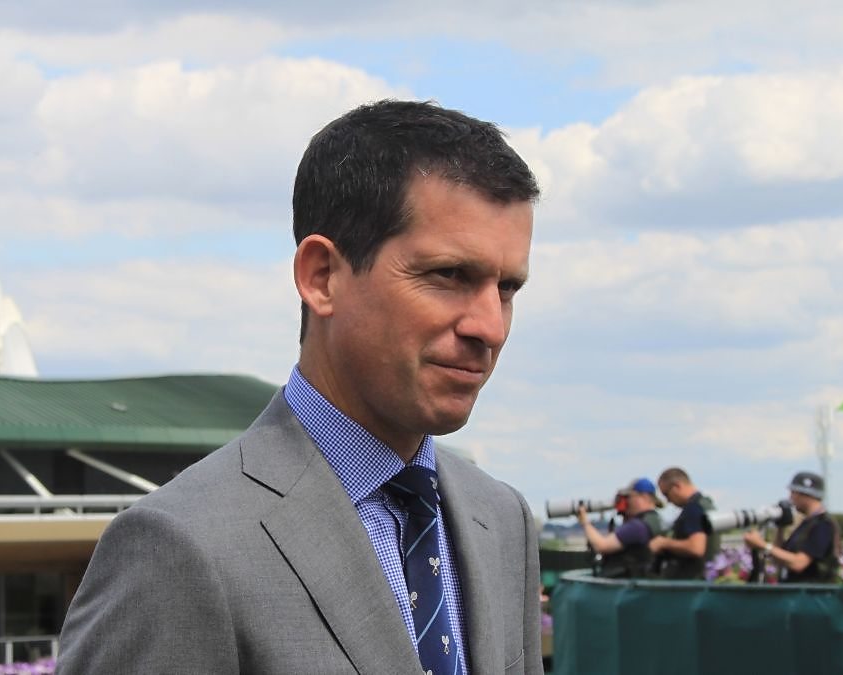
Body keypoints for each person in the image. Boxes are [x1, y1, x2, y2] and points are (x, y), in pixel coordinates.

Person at [58, 100, 542, 674]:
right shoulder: (180, 547)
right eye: (449, 275)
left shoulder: (502, 520)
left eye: (506, 289)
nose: (490, 327)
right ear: (322, 276)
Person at [744, 471, 840, 583]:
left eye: (793, 493)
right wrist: (780, 527)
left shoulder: (822, 525)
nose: (790, 498)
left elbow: (799, 563)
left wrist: (763, 545)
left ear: (805, 494)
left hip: (809, 592)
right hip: (795, 591)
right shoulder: (807, 524)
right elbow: (780, 558)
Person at [578, 478, 663, 578]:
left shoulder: (637, 527)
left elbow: (602, 546)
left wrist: (584, 522)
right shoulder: (653, 520)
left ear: (644, 497)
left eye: (628, 497)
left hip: (625, 582)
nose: (626, 501)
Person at [649, 467, 718, 579]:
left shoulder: (693, 508)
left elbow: (696, 547)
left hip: (692, 582)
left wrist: (663, 543)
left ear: (677, 486)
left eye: (666, 494)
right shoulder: (706, 504)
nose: (668, 501)